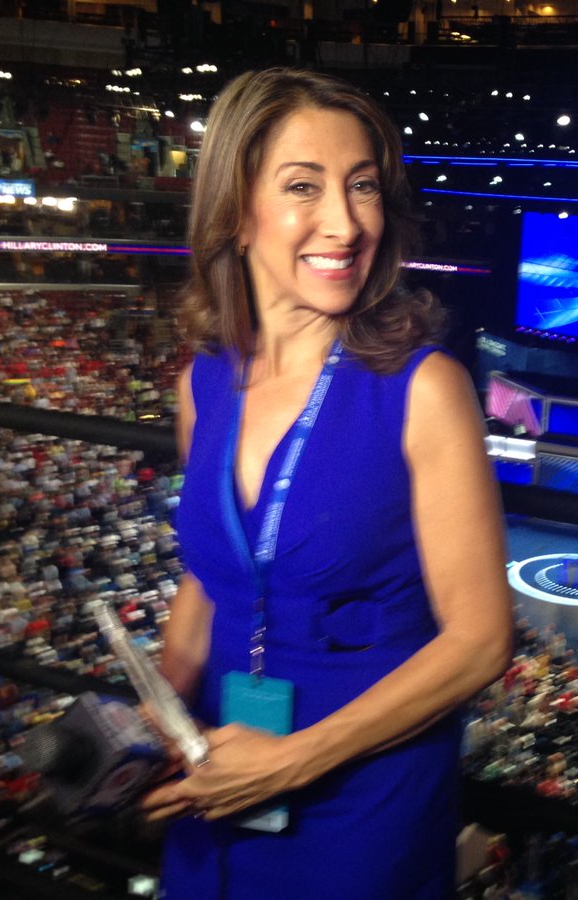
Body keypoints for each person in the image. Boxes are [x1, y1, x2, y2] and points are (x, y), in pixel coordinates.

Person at [140, 68, 513, 898]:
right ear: (236, 212)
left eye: (364, 187)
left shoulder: (423, 389)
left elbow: (482, 640)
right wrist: (165, 697)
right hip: (223, 765)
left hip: (359, 797)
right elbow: (211, 571)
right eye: (303, 186)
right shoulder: (200, 383)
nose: (345, 223)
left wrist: (293, 760)